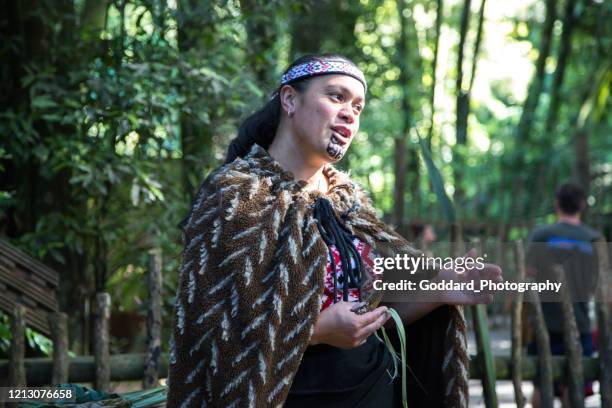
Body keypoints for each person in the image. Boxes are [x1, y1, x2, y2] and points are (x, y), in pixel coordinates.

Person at [167, 54, 502, 407]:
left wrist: (439, 290)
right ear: (290, 99)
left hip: (371, 392)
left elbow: (375, 318)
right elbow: (214, 329)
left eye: (358, 106)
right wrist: (316, 331)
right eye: (336, 96)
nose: (350, 113)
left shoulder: (350, 202)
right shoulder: (234, 195)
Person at [526, 182, 602, 408]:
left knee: (542, 384)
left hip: (544, 323)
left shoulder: (542, 235)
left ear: (557, 204)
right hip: (581, 324)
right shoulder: (594, 238)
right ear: (581, 206)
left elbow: (527, 276)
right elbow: (601, 284)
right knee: (574, 384)